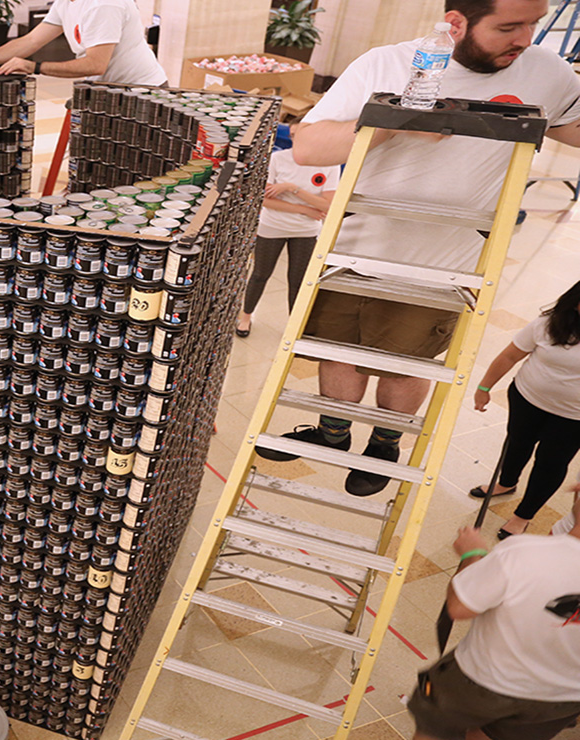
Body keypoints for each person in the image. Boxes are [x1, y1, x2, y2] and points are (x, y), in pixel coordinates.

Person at [262, 0, 580, 498]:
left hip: (442, 265)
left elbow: (571, 129)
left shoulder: (548, 72)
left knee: (405, 361)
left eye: (533, 24)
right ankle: (333, 433)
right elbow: (308, 147)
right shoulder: (385, 63)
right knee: (336, 350)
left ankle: (386, 444)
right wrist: (397, 119)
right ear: (455, 23)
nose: (525, 38)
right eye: (508, 26)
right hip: (354, 250)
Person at [406, 504, 580, 740]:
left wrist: (471, 554)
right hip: (561, 699)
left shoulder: (525, 552)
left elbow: (459, 607)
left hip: (482, 679)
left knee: (436, 733)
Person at [470, 280, 580, 539]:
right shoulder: (549, 323)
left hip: (573, 417)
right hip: (526, 398)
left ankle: (523, 515)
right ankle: (506, 483)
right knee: (517, 444)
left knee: (550, 464)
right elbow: (510, 355)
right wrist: (484, 388)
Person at [236, 143, 338, 338]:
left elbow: (327, 205)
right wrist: (305, 209)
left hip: (306, 231)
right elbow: (264, 200)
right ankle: (246, 318)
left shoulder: (329, 165)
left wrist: (291, 188)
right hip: (272, 226)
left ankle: (294, 326)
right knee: (260, 274)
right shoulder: (278, 159)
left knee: (299, 281)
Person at [0, 0, 166, 86]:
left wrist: (34, 66)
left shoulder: (103, 4)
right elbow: (32, 40)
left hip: (142, 90)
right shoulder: (66, 1)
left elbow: (95, 64)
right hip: (108, 88)